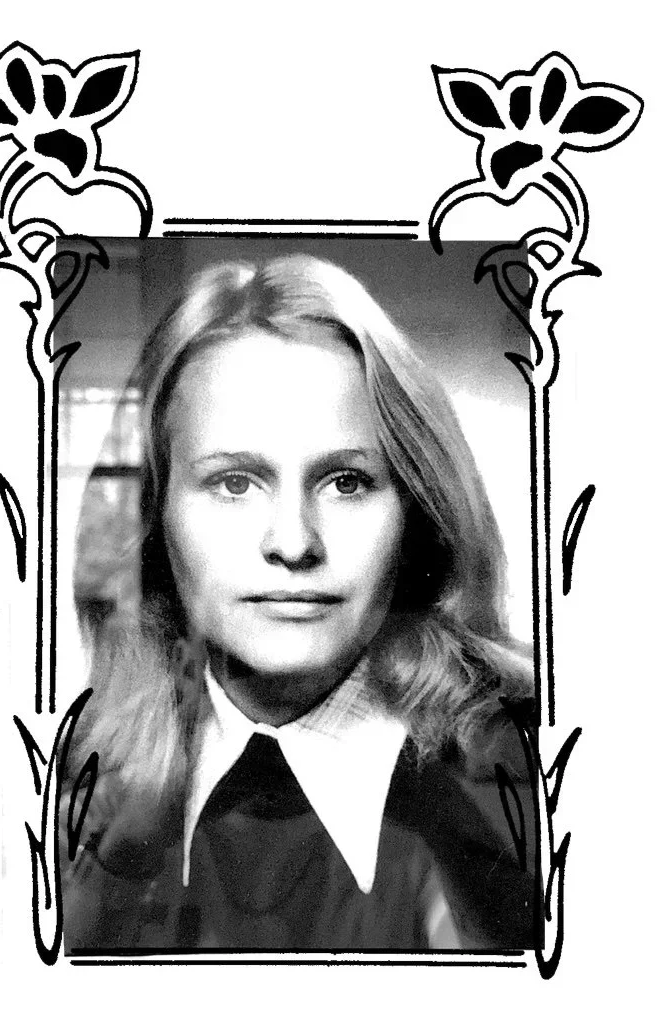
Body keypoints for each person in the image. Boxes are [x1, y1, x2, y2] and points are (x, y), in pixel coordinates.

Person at [62, 253, 535, 952]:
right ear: (150, 519)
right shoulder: (73, 785)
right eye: (234, 483)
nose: (293, 542)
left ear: (418, 514)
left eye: (346, 482)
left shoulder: (540, 775)